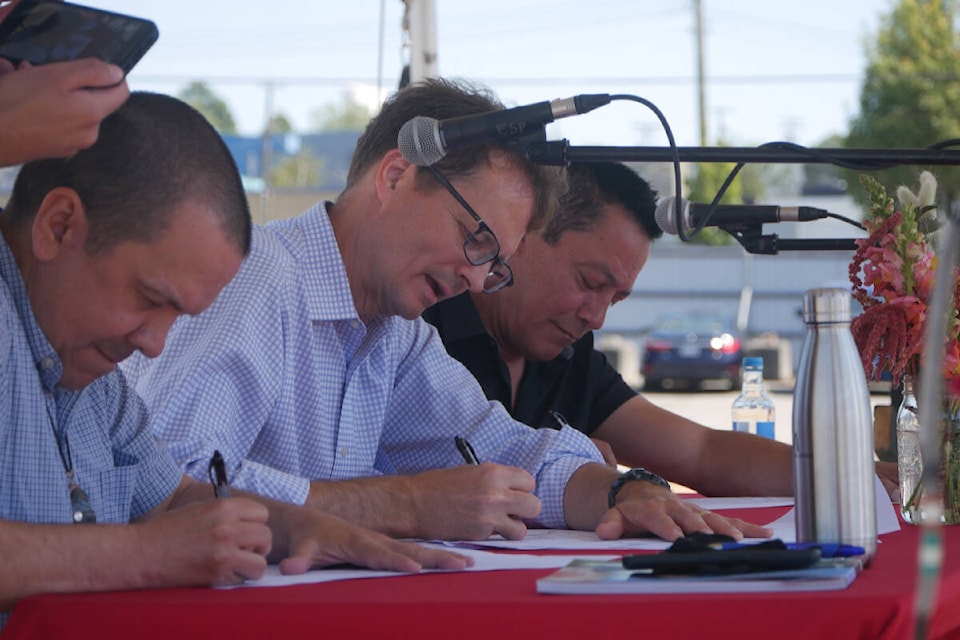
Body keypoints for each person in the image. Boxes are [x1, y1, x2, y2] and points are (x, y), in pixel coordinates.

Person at [124, 78, 772, 545]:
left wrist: (622, 492)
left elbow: (504, 448)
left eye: (496, 262)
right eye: (475, 237)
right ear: (397, 175)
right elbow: (165, 482)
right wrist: (403, 504)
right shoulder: (259, 278)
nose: (475, 277)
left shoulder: (397, 334)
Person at [0, 91, 470, 618]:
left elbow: (175, 498)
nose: (154, 344)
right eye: (151, 300)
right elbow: (161, 535)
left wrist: (294, 525)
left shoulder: (96, 384)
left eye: (179, 317)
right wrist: (143, 554)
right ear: (59, 226)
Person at [423, 161, 899, 498]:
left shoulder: (569, 357)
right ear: (520, 237)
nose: (597, 316)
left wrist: (858, 474)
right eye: (590, 283)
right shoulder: (420, 327)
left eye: (617, 298)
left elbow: (702, 451)